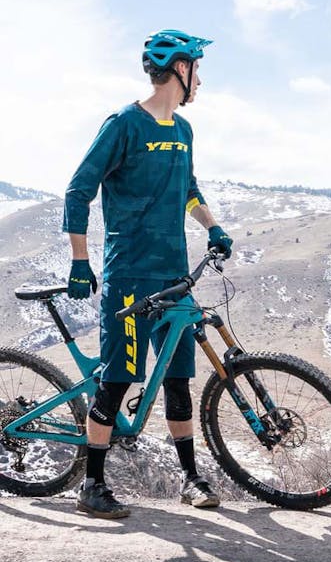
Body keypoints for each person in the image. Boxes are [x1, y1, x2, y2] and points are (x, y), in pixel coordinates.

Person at [63, 30, 233, 520]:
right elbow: (78, 191)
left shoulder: (183, 130)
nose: (200, 80)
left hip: (174, 275)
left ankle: (191, 478)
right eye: (196, 69)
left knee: (178, 379)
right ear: (179, 69)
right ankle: (92, 486)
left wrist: (213, 226)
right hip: (130, 277)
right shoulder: (123, 124)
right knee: (116, 382)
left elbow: (190, 190)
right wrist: (80, 259)